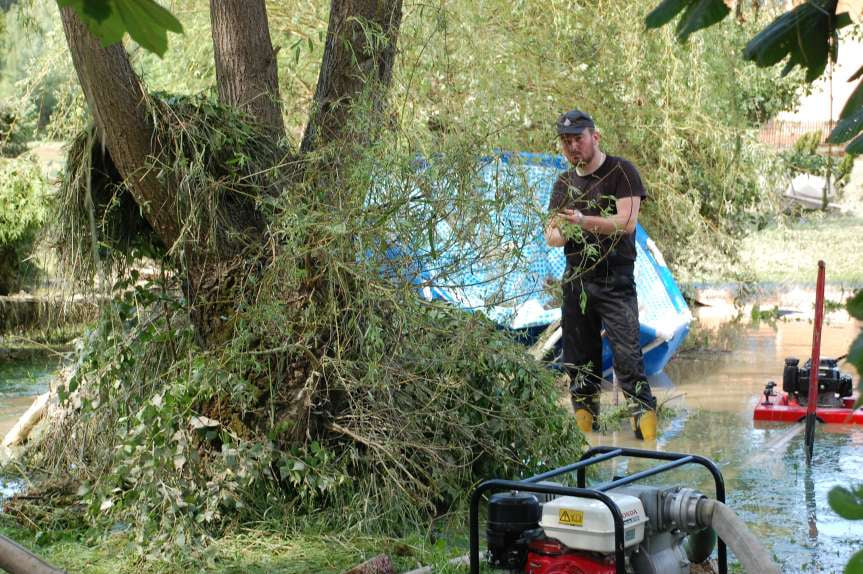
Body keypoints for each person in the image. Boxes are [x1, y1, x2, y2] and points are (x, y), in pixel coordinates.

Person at [544, 109, 657, 440]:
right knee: (579, 363)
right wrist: (567, 227)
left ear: (595, 137)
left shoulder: (622, 172)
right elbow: (552, 236)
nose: (572, 147)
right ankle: (587, 440)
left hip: (615, 279)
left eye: (577, 139)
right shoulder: (564, 182)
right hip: (576, 279)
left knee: (629, 359)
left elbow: (627, 223)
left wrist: (581, 221)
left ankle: (648, 441)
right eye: (566, 142)